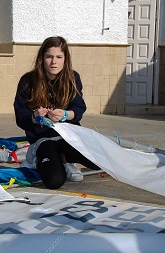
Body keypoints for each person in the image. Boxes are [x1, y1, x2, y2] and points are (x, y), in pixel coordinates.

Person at [13, 36, 100, 189]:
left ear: (65, 59)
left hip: (68, 137)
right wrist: (35, 117)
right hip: (43, 140)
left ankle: (66, 159)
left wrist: (65, 115)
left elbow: (79, 109)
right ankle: (35, 158)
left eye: (59, 57)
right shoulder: (28, 81)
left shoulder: (73, 78)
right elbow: (21, 118)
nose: (54, 62)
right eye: (49, 56)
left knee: (99, 162)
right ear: (42, 58)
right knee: (54, 181)